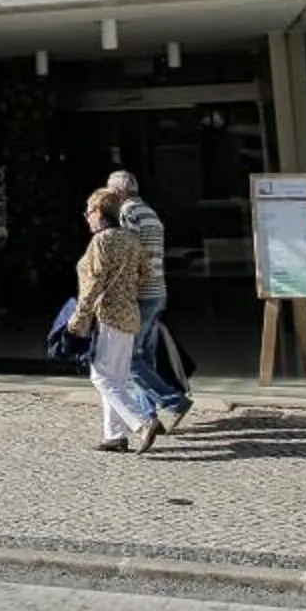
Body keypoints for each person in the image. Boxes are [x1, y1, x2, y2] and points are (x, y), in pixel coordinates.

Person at [75, 187, 158, 453]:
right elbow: (146, 273)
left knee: (101, 377)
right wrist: (125, 288)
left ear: (99, 212)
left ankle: (143, 422)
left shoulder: (102, 241)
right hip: (130, 314)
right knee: (118, 378)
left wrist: (80, 316)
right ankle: (114, 436)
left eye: (88, 212)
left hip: (108, 315)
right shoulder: (131, 239)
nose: (87, 218)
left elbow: (95, 282)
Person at [109, 168, 192, 432]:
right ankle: (148, 416)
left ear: (119, 191)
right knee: (146, 356)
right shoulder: (151, 213)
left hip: (141, 293)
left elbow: (128, 252)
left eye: (111, 191)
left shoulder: (128, 213)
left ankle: (174, 402)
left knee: (130, 359)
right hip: (158, 291)